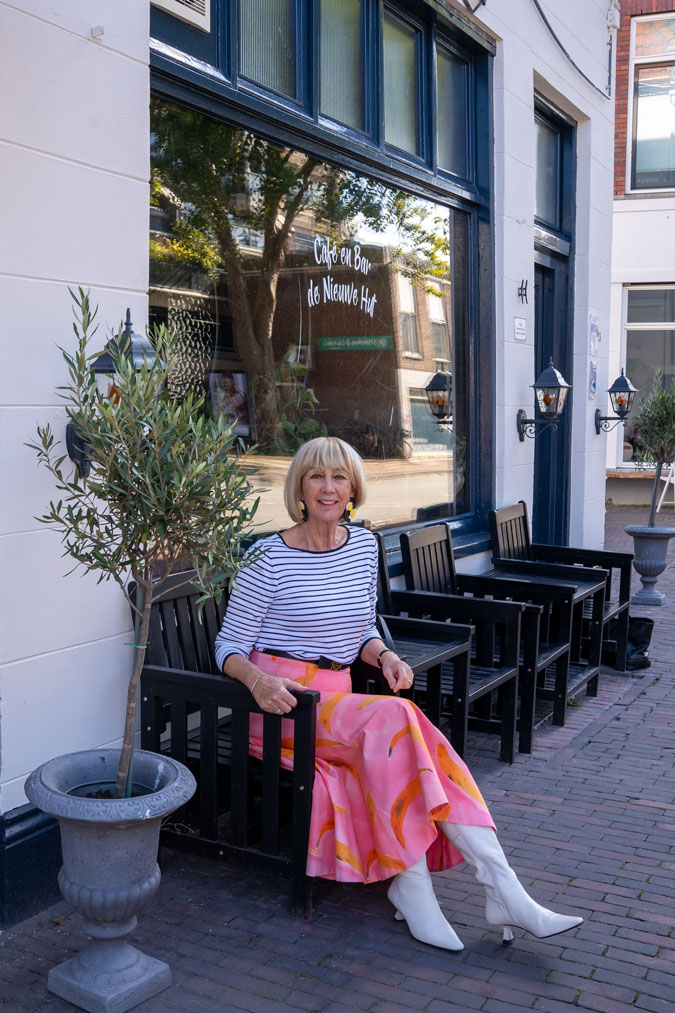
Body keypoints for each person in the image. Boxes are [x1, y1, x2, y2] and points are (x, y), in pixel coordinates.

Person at [214, 437, 583, 951]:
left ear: (353, 489)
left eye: (339, 477)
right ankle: (479, 891)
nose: (328, 487)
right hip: (284, 707)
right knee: (400, 725)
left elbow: (362, 628)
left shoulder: (364, 547)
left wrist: (384, 655)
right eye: (316, 476)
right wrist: (257, 680)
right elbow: (228, 644)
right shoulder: (267, 559)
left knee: (403, 736)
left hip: (343, 705)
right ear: (298, 485)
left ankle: (478, 888)